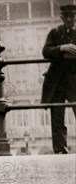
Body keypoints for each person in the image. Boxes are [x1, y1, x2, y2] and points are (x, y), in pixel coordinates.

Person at [41, 4, 76, 154]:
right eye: (66, 17)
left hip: (74, 81)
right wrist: (62, 48)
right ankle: (60, 151)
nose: (69, 19)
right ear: (61, 18)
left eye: (72, 16)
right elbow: (46, 51)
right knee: (57, 118)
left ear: (75, 18)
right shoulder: (54, 33)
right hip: (57, 83)